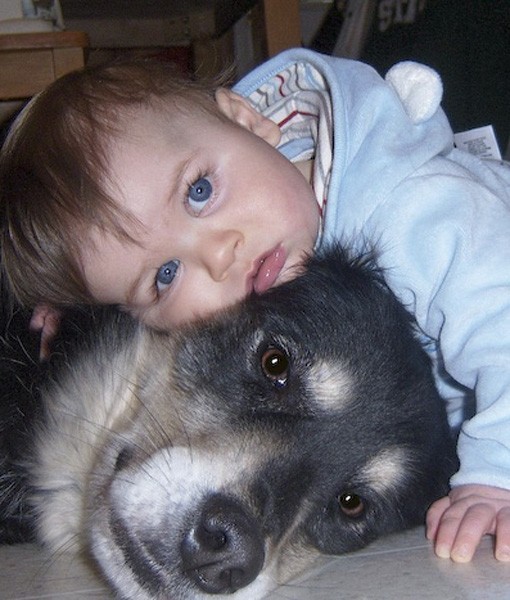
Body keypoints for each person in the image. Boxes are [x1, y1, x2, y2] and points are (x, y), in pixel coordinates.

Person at [1, 49, 510, 565]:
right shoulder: (280, 240)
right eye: (165, 275)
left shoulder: (418, 214)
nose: (219, 254)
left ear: (249, 121)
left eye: (200, 192)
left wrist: (493, 475)